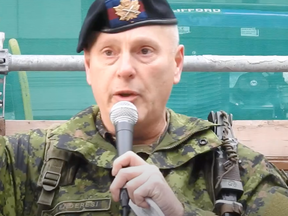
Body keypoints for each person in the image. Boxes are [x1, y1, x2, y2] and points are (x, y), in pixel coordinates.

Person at [1, 0, 288, 215]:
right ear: (89, 66)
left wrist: (178, 211)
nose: (125, 69)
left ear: (176, 64)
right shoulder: (24, 162)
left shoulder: (233, 169)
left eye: (145, 51)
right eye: (109, 52)